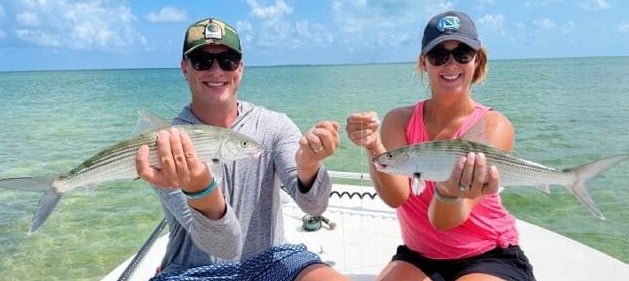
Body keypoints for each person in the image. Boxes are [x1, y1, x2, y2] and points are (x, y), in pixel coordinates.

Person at [134, 17, 350, 281]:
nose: (217, 71)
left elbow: (315, 206)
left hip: (273, 258)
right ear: (184, 68)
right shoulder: (167, 143)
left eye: (228, 61)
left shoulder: (274, 126)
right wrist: (201, 190)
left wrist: (309, 167)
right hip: (193, 270)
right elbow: (222, 246)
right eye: (202, 60)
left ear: (240, 68)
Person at [345, 10, 536, 281]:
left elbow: (445, 220)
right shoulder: (399, 120)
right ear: (424, 63)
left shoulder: (495, 126)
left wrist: (447, 191)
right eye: (438, 56)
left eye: (462, 54)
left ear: (477, 60)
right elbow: (397, 197)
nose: (450, 64)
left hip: (488, 254)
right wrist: (373, 146)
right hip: (419, 255)